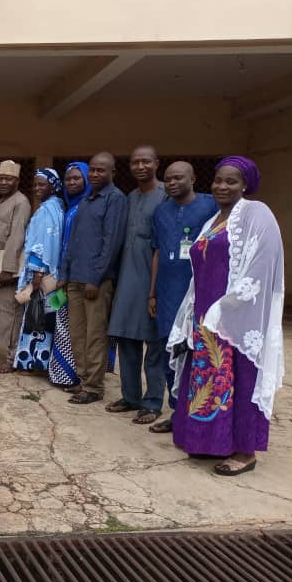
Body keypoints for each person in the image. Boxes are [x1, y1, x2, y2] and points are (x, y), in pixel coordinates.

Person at [167, 156, 284, 476]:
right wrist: (192, 310)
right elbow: (199, 270)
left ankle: (245, 452)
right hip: (205, 318)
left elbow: (263, 265)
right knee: (207, 381)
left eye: (231, 181)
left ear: (245, 184)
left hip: (238, 316)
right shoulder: (213, 220)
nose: (222, 186)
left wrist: (228, 308)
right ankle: (210, 442)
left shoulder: (257, 214)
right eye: (218, 180)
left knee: (241, 378)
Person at [147, 162, 218, 433]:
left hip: (199, 292)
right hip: (166, 293)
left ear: (193, 178)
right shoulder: (161, 211)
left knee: (197, 354)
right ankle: (178, 412)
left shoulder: (210, 206)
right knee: (169, 352)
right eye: (168, 179)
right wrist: (152, 293)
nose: (173, 182)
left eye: (179, 177)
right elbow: (157, 252)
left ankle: (199, 415)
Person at [105, 146, 170, 423]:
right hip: (127, 279)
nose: (140, 166)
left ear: (156, 163)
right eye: (135, 162)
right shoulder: (129, 197)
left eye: (146, 161)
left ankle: (153, 402)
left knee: (154, 345)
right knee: (127, 340)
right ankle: (130, 397)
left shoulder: (167, 195)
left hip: (155, 280)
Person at [59, 152, 127, 404]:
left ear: (112, 173)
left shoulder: (115, 199)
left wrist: (96, 278)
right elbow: (73, 242)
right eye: (93, 170)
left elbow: (111, 243)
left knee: (95, 335)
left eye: (101, 170)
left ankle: (94, 387)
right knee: (77, 334)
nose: (95, 174)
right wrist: (65, 275)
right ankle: (82, 379)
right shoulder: (86, 200)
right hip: (75, 279)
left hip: (94, 282)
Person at [0, 160, 31, 373]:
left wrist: (8, 269)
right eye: (1, 178)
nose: (3, 182)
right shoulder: (3, 200)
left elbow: (16, 238)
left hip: (6, 268)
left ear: (17, 181)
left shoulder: (21, 202)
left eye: (8, 179)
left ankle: (12, 360)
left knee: (10, 313)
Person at [13, 168, 64, 372]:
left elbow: (40, 245)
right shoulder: (58, 207)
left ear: (53, 185)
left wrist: (36, 275)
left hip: (41, 275)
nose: (36, 188)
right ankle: (49, 363)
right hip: (56, 275)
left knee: (37, 317)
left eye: (42, 184)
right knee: (53, 314)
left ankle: (33, 362)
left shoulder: (45, 211)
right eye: (35, 184)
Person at [48, 162, 88, 390]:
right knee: (64, 326)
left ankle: (77, 376)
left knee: (76, 328)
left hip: (77, 278)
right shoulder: (69, 206)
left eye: (77, 178)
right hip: (65, 277)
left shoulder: (86, 206)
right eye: (68, 179)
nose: (71, 182)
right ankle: (65, 374)